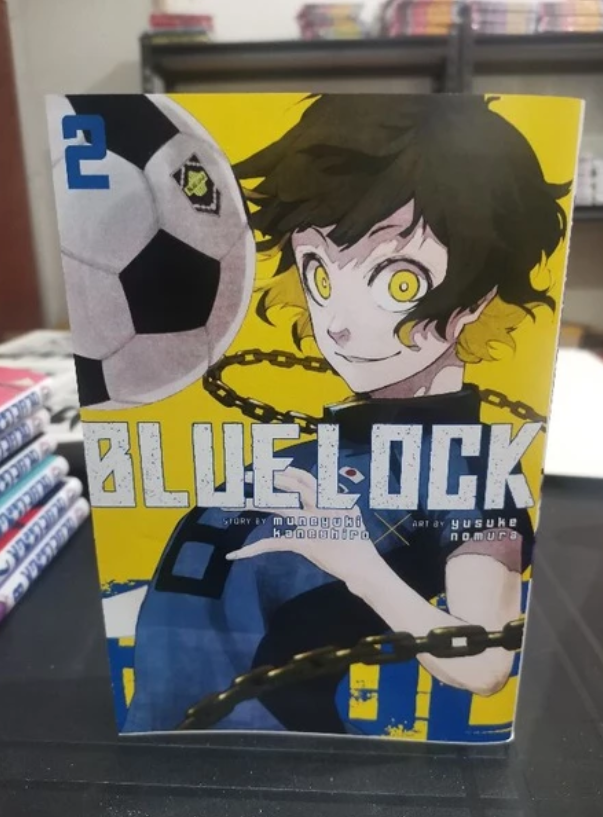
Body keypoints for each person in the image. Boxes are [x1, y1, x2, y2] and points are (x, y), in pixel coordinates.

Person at [123, 94, 569, 735]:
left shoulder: (472, 471)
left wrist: (359, 567)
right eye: (321, 276)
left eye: (398, 283)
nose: (338, 323)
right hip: (164, 746)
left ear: (477, 300)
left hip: (276, 765)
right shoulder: (310, 450)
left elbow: (485, 663)